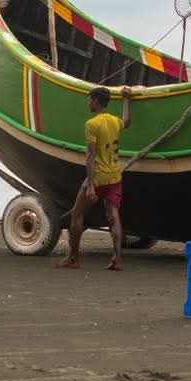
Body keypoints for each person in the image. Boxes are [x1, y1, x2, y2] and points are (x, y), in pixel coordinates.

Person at [56, 86, 131, 271]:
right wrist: (126, 99)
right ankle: (117, 260)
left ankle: (73, 258)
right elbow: (126, 121)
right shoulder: (114, 121)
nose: (88, 103)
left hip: (98, 177)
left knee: (76, 214)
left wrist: (90, 184)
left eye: (89, 99)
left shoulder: (92, 124)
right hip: (115, 176)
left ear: (96, 101)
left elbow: (90, 156)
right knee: (114, 216)